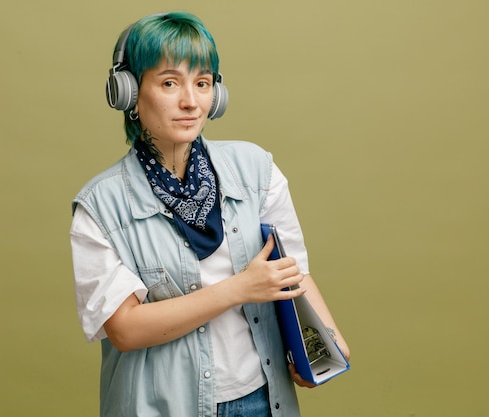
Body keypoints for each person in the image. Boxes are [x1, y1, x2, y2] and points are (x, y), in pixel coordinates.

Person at [70, 11, 350, 417]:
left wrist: (327, 343)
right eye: (169, 83)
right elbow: (125, 329)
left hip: (264, 398)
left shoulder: (256, 168)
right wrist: (239, 288)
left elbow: (292, 271)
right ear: (128, 93)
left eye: (202, 84)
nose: (190, 101)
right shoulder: (100, 206)